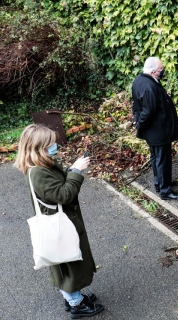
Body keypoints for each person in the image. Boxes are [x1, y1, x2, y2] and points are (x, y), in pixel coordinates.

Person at [15, 124, 104, 318]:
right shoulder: (38, 172)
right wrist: (76, 172)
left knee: (70, 260)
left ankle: (75, 297)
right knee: (67, 263)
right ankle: (75, 304)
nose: (56, 144)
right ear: (40, 147)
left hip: (61, 221)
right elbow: (63, 195)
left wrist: (72, 168)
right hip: (59, 225)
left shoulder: (42, 164)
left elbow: (56, 188)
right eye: (51, 142)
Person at [132, 57, 178, 200]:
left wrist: (137, 121)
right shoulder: (149, 87)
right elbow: (147, 111)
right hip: (158, 131)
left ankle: (160, 183)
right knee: (162, 159)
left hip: (153, 131)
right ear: (154, 72)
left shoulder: (139, 81)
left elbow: (136, 105)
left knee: (156, 158)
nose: (163, 70)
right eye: (161, 69)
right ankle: (165, 191)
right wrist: (139, 124)